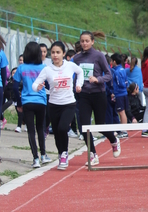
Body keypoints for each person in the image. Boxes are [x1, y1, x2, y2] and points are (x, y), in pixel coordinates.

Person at [33, 41, 84, 170]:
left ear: (63, 53)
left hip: (68, 103)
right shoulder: (47, 69)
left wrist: (79, 85)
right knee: (56, 132)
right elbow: (35, 85)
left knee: (62, 128)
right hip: (54, 105)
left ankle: (65, 153)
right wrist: (38, 87)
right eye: (53, 53)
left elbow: (80, 72)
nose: (55, 55)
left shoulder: (70, 66)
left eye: (58, 52)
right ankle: (61, 153)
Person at [73, 31, 121, 165]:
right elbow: (76, 75)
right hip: (83, 96)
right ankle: (93, 154)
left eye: (87, 41)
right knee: (84, 127)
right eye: (82, 41)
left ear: (93, 41)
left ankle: (113, 140)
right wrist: (76, 86)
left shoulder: (99, 56)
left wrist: (98, 79)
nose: (84, 43)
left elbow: (109, 75)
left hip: (98, 94)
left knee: (100, 125)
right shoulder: (77, 59)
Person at [13, 42, 51, 168]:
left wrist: (19, 103)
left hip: (27, 102)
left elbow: (14, 87)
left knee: (31, 131)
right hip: (41, 102)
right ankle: (44, 155)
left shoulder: (21, 68)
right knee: (40, 128)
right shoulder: (43, 67)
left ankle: (35, 159)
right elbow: (50, 85)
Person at [109, 53, 130, 134]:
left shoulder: (117, 72)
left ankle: (124, 131)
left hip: (119, 94)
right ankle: (123, 130)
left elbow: (119, 83)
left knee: (121, 112)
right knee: (122, 111)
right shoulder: (123, 69)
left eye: (111, 61)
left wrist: (115, 91)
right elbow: (126, 81)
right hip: (124, 93)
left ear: (114, 61)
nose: (110, 62)